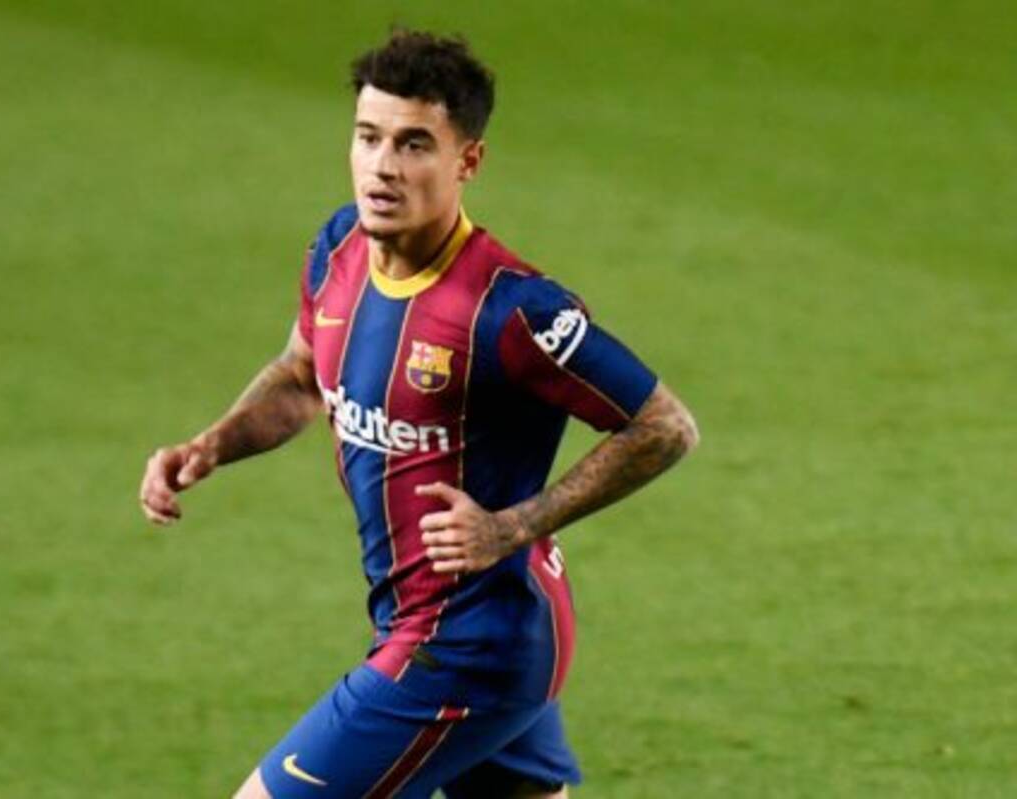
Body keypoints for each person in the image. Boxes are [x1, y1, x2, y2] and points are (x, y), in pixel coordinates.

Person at [140, 29, 699, 799]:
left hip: (469, 642)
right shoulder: (338, 248)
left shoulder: (512, 310)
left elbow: (664, 426)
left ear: (468, 160)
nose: (383, 166)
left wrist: (511, 525)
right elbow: (301, 376)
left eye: (413, 145)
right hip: (456, 624)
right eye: (368, 137)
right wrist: (212, 444)